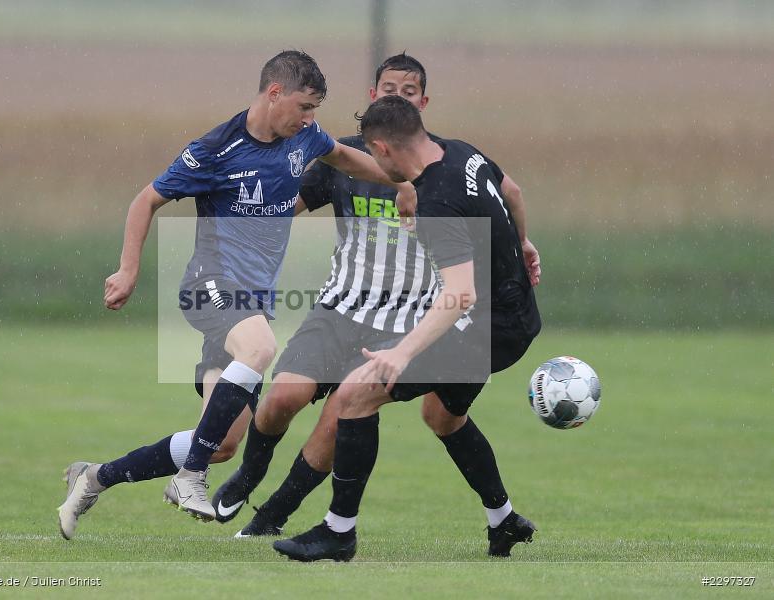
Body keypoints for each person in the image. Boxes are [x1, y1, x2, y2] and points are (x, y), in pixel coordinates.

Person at [57, 50, 415, 537]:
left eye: (314, 111)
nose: (310, 120)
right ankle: (189, 478)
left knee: (221, 441)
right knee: (261, 348)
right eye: (304, 108)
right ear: (274, 94)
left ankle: (95, 477)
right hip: (211, 285)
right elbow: (146, 200)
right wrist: (127, 270)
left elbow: (349, 159)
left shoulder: (305, 138)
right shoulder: (215, 150)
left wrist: (405, 176)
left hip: (250, 305)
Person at [213, 53, 516, 539]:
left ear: (423, 101)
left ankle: (275, 513)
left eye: (408, 90)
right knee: (280, 400)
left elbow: (504, 193)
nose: (397, 95)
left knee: (339, 416)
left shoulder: (441, 163)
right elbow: (287, 203)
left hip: (406, 318)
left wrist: (520, 244)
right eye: (388, 88)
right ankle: (249, 475)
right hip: (342, 305)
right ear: (373, 96)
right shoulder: (347, 156)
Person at [273, 95, 542, 562]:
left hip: (484, 329)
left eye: (374, 158)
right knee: (442, 417)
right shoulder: (463, 153)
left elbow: (460, 294)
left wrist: (401, 353)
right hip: (518, 318)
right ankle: (504, 522)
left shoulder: (435, 202)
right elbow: (513, 192)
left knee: (357, 393)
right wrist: (520, 244)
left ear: (383, 148)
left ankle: (338, 533)